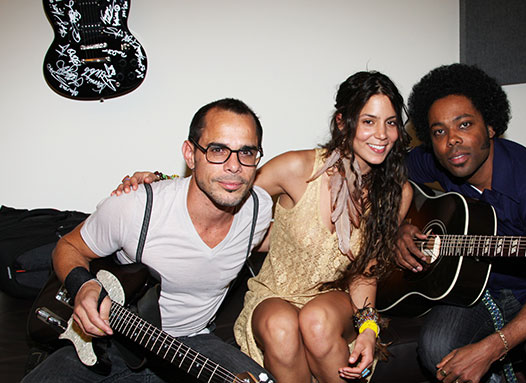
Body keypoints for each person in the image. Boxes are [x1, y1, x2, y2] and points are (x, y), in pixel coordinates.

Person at [114, 71, 413, 383]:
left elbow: (366, 272)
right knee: (280, 326)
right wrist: (161, 183)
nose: (381, 134)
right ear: (342, 122)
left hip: (331, 301)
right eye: (368, 121)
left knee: (317, 321)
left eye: (391, 122)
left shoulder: (397, 193)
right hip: (274, 294)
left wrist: (368, 329)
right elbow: (228, 185)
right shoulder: (297, 169)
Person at [23, 98, 275, 383]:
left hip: (189, 345)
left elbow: (292, 240)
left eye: (247, 152)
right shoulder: (136, 208)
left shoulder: (258, 210)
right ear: (190, 154)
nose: (234, 166)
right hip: (109, 339)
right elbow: (67, 246)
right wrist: (83, 286)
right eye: (218, 150)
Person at [396, 64, 526, 383]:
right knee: (437, 351)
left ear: (490, 126)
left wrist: (492, 348)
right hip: (473, 286)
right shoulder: (435, 161)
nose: (452, 141)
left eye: (464, 124)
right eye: (439, 131)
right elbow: (385, 172)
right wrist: (398, 225)